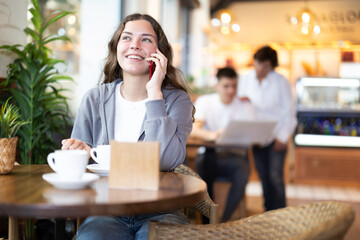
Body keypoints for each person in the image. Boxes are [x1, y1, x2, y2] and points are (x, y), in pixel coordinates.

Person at [61, 13, 194, 240]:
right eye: (127, 38)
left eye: (146, 39)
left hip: (161, 210)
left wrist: (155, 94)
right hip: (106, 210)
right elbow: (80, 166)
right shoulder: (95, 98)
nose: (134, 45)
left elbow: (166, 160)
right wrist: (78, 153)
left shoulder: (177, 101)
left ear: (159, 53)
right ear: (117, 47)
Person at [191, 67, 256, 222]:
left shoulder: (244, 105)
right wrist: (213, 135)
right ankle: (209, 221)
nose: (231, 90)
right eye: (226, 86)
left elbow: (254, 133)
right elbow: (193, 130)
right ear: (217, 86)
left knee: (242, 174)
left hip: (235, 156)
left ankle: (223, 222)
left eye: (234, 86)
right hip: (208, 154)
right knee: (203, 174)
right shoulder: (205, 102)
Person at [238, 45, 297, 211]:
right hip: (257, 136)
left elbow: (289, 112)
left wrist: (283, 137)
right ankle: (267, 213)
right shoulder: (246, 78)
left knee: (275, 177)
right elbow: (242, 103)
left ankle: (280, 214)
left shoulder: (281, 82)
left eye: (265, 66)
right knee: (263, 176)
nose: (261, 69)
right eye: (258, 64)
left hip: (277, 135)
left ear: (271, 66)